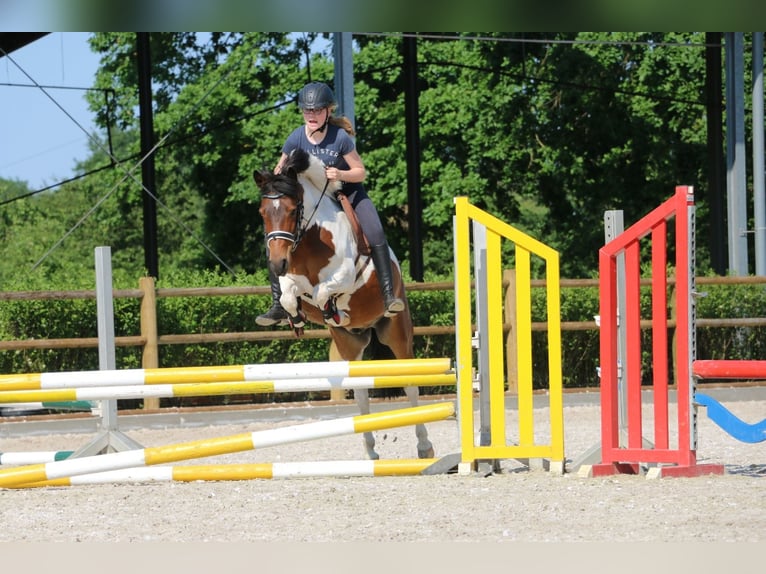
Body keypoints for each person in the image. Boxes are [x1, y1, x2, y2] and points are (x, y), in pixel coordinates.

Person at [256, 81, 405, 327]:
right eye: (307, 111)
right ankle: (277, 304)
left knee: (376, 230)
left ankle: (389, 295)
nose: (311, 115)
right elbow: (279, 168)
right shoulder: (296, 137)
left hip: (347, 191)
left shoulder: (340, 138)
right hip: (313, 196)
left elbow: (360, 172)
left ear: (328, 111)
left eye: (316, 111)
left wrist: (341, 175)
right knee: (275, 235)